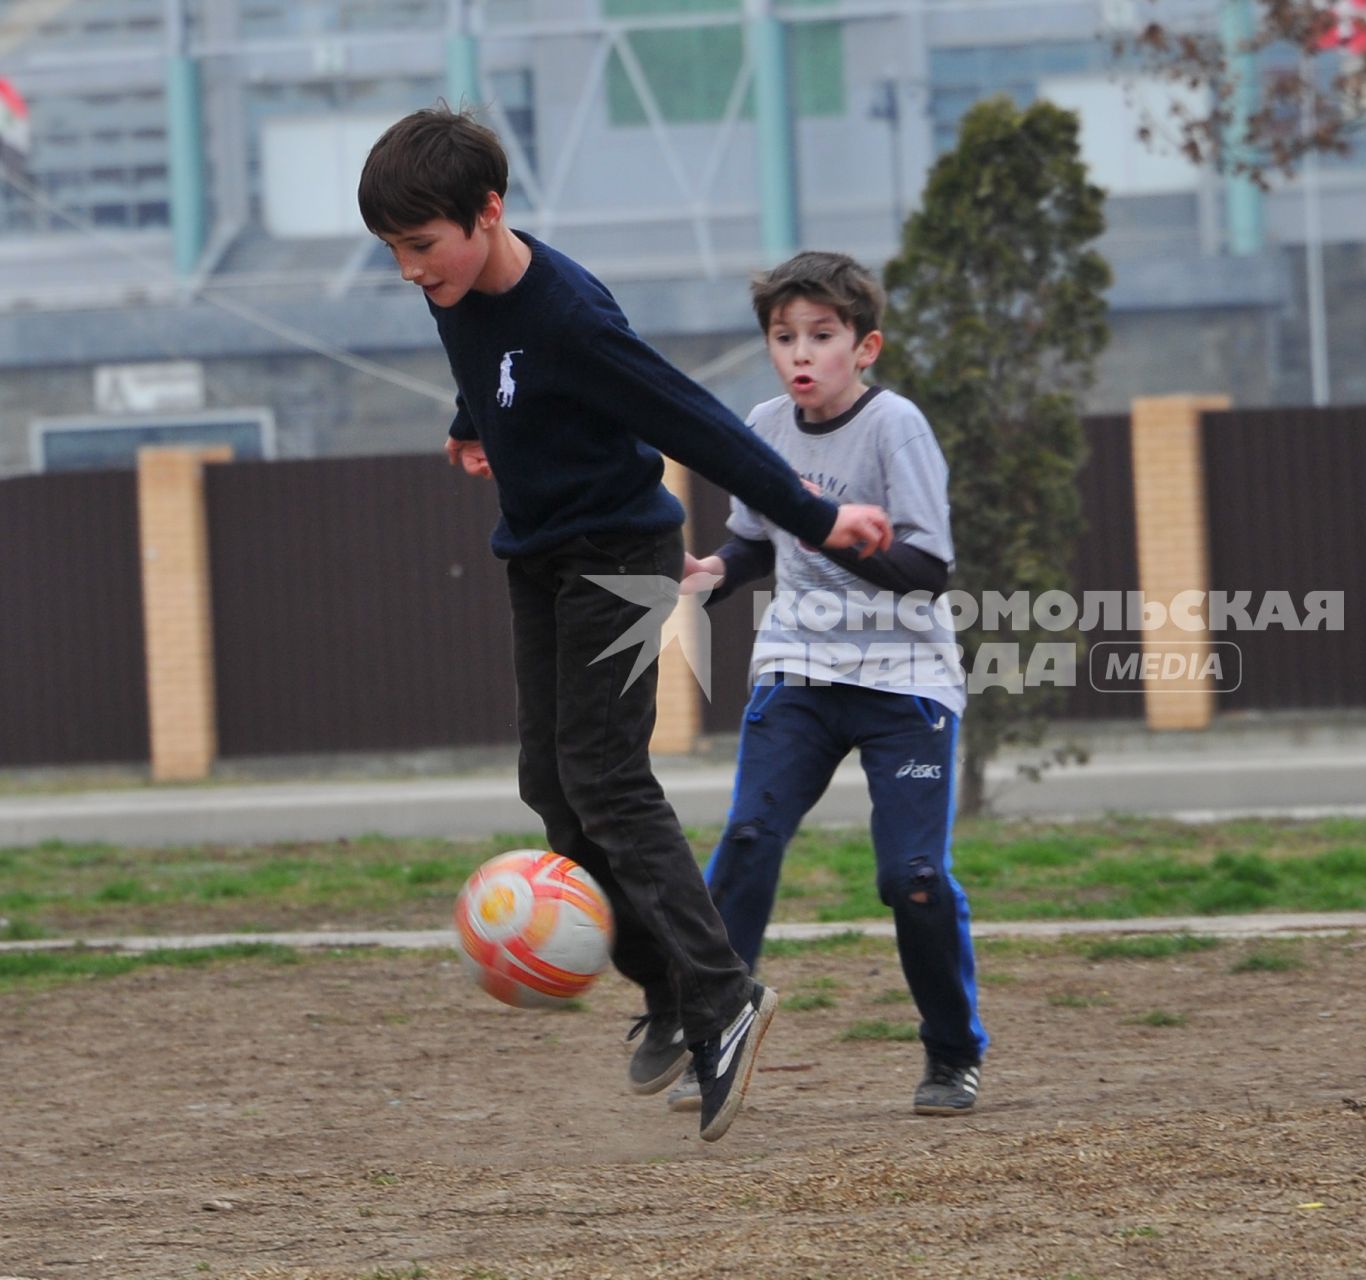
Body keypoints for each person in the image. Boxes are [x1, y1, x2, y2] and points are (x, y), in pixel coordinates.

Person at [356, 107, 895, 1143]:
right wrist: (476, 420)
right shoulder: (455, 283)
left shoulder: (572, 319)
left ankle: (722, 994)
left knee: (605, 776)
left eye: (421, 248)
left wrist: (819, 514)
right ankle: (665, 982)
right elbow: (485, 358)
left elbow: (696, 423)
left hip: (618, 557)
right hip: (539, 552)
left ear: (489, 213)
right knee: (550, 785)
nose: (410, 272)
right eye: (393, 253)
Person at [663, 250, 986, 1117]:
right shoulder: (764, 425)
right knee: (752, 835)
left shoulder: (896, 429)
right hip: (799, 669)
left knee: (913, 878)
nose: (800, 353)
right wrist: (712, 574)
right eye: (783, 337)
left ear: (865, 345)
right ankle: (715, 1030)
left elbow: (926, 574)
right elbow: (759, 541)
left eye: (822, 335)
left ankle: (952, 1052)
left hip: (905, 681)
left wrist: (840, 536)